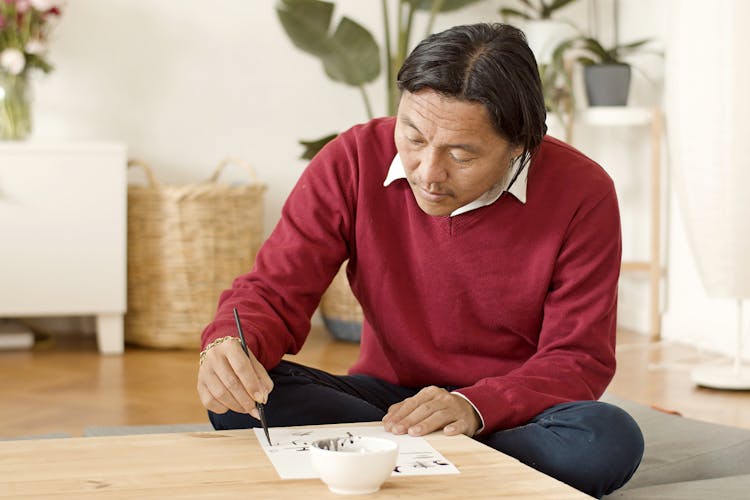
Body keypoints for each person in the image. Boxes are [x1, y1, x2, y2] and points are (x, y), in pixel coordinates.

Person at [196, 22, 644, 498]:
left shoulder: (584, 192)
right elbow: (274, 289)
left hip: (512, 412)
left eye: (461, 155)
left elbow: (577, 357)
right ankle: (469, 470)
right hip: (387, 404)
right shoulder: (351, 159)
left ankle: (390, 460)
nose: (428, 173)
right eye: (412, 137)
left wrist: (475, 407)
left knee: (605, 440)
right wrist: (227, 344)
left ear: (521, 145)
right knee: (242, 399)